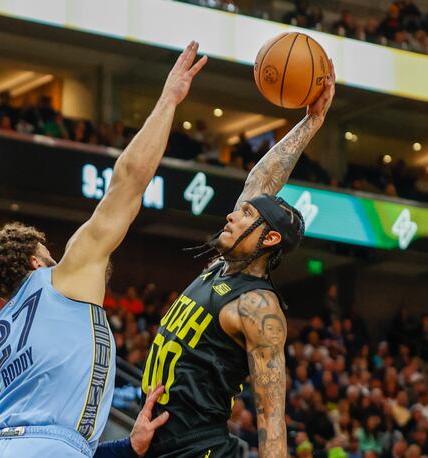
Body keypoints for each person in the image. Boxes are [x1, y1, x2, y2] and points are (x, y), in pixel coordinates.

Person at [0, 42, 207, 457]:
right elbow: (127, 182)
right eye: (48, 252)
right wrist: (169, 99)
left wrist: (128, 448)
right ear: (33, 261)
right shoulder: (60, 279)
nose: (57, 258)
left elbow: (54, 436)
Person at [139, 61, 335, 457]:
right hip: (158, 444)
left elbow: (271, 416)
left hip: (199, 450)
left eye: (247, 215)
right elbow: (259, 182)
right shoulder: (220, 269)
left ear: (271, 237)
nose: (233, 214)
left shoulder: (256, 304)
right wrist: (311, 122)